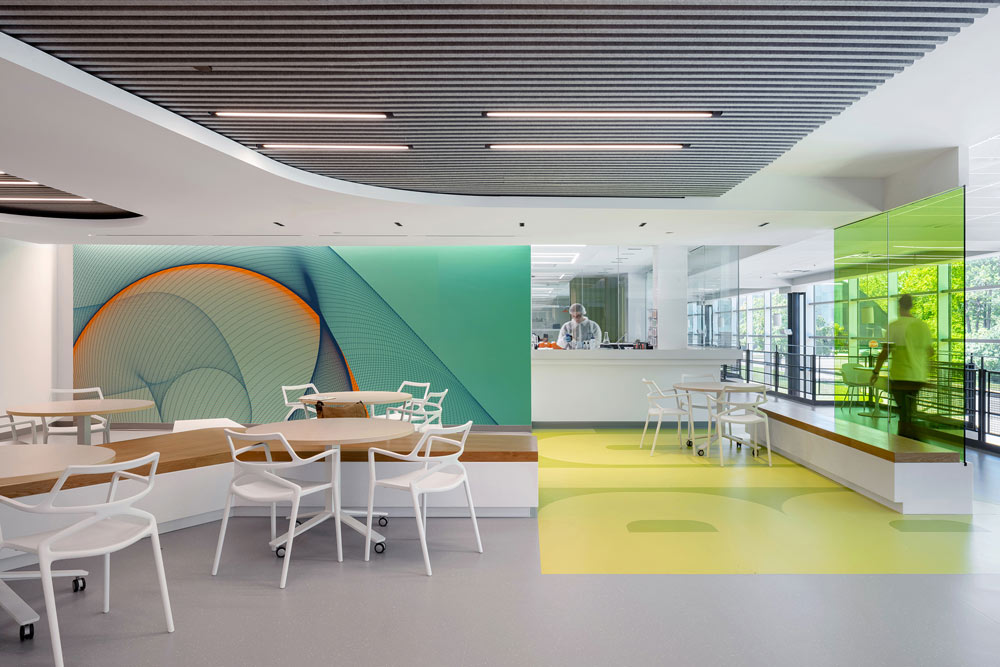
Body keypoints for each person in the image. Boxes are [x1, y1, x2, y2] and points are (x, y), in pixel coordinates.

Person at [871, 294, 933, 439]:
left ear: (899, 306)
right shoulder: (922, 326)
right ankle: (911, 438)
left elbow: (885, 352)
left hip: (900, 376)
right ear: (911, 306)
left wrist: (876, 371)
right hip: (918, 377)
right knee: (908, 409)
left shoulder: (894, 326)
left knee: (904, 411)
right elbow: (930, 352)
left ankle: (908, 440)